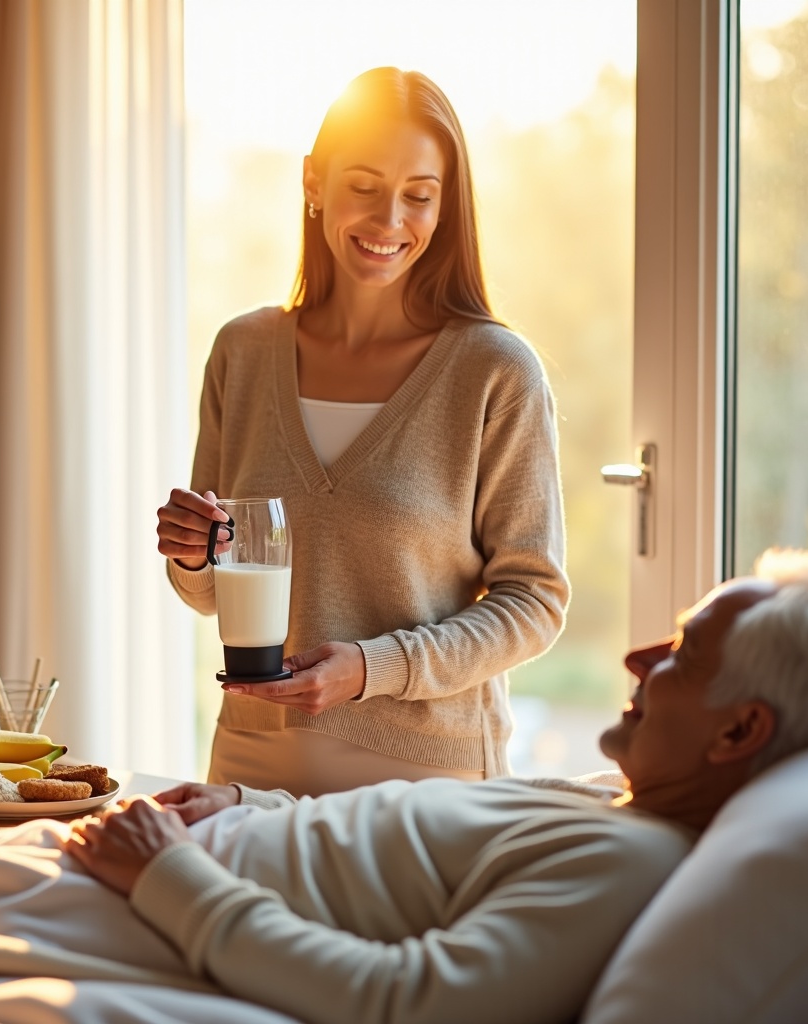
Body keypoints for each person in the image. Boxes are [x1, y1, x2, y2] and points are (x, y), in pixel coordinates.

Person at [64, 549, 808, 1024]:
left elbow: (404, 1001)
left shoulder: (626, 865)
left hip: (145, 905)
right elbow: (390, 841)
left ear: (739, 732)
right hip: (168, 858)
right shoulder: (609, 800)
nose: (637, 660)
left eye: (682, 654)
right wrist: (248, 806)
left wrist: (168, 876)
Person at [156, 67, 569, 796]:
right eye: (365, 187)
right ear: (314, 183)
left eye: (418, 196)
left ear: (445, 208)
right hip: (253, 760)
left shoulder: (495, 372)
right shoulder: (243, 353)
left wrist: (373, 669)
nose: (389, 221)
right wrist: (192, 557)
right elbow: (216, 594)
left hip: (427, 777)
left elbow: (533, 603)